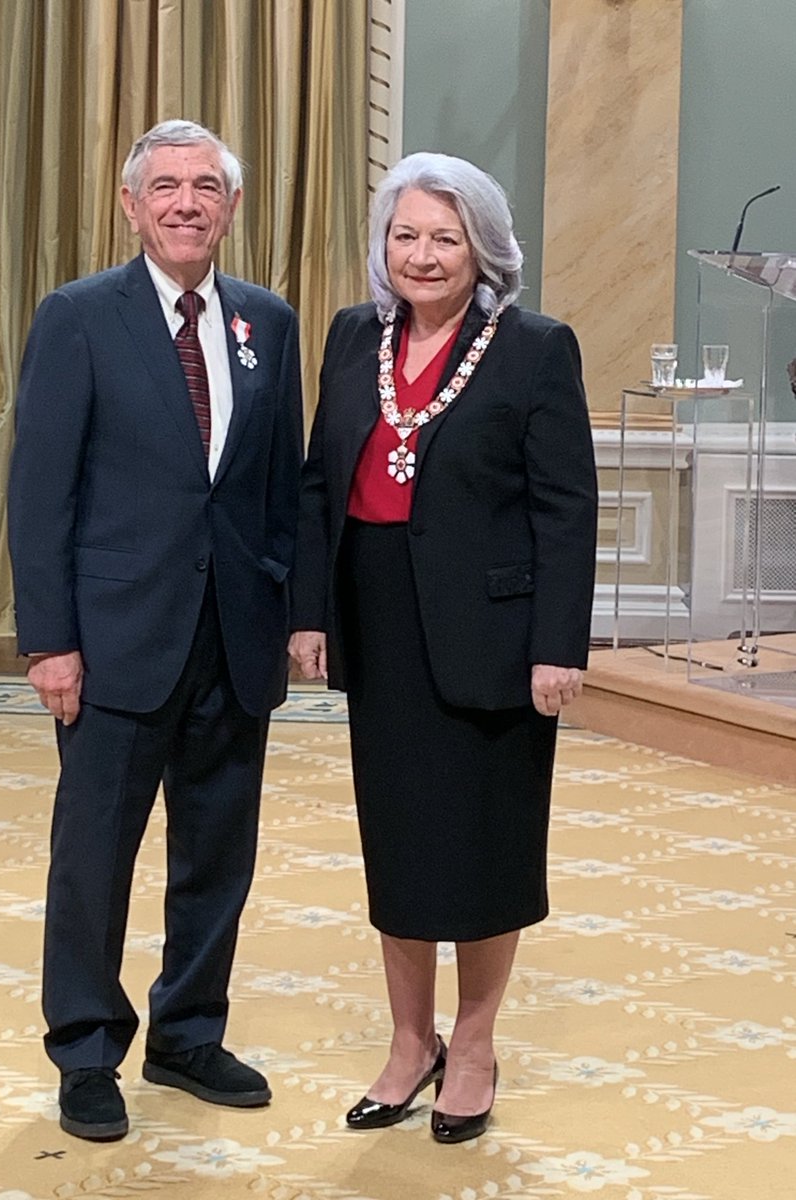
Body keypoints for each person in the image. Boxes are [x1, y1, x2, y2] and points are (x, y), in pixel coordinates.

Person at [288, 152, 597, 1144]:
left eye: (444, 237)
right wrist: (311, 612)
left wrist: (557, 646)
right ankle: (407, 1038)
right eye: (405, 235)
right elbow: (315, 484)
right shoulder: (350, 337)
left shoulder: (536, 348)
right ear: (385, 245)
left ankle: (472, 1041)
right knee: (403, 841)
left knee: (486, 844)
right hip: (378, 622)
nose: (422, 255)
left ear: (484, 250)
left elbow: (566, 512)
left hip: (496, 638)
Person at [8, 120, 303, 1141]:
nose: (187, 201)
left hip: (236, 636)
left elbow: (280, 490)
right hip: (114, 640)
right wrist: (50, 640)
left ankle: (188, 1033)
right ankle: (87, 1050)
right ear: (131, 205)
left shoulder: (268, 321)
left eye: (206, 186)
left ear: (230, 206)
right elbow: (39, 490)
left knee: (218, 854)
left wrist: (291, 614)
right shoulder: (80, 317)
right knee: (95, 856)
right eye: (166, 185)